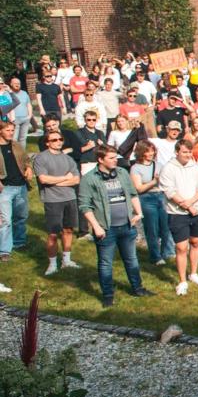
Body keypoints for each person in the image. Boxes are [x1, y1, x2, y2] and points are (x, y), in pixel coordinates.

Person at [78, 145, 153, 307]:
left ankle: (138, 288)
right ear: (100, 160)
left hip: (126, 225)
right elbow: (84, 206)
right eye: (111, 158)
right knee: (105, 263)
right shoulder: (89, 178)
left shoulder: (122, 173)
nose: (116, 160)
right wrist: (96, 227)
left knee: (132, 259)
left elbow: (132, 194)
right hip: (106, 228)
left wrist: (139, 213)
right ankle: (107, 295)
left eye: (115, 157)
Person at [159, 139, 198, 296]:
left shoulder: (196, 168)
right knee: (181, 247)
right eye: (184, 152)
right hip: (177, 213)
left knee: (195, 242)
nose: (188, 155)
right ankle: (182, 281)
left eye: (189, 151)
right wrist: (188, 207)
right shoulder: (168, 169)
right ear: (177, 152)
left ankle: (193, 273)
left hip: (197, 209)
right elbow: (170, 192)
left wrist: (192, 204)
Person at [32, 129, 82, 275]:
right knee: (53, 233)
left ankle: (66, 260)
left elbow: (76, 179)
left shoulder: (68, 159)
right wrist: (65, 178)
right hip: (52, 200)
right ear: (47, 143)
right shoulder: (41, 158)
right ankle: (52, 264)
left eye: (60, 139)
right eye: (54, 140)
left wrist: (57, 181)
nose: (58, 142)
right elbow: (43, 179)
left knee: (68, 230)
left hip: (70, 198)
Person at [0, 119, 32, 260]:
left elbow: (26, 160)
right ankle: (4, 250)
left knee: (21, 216)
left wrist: (29, 168)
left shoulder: (16, 145)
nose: (11, 133)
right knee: (5, 220)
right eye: (8, 130)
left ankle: (19, 242)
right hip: (5, 188)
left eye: (12, 130)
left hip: (21, 186)